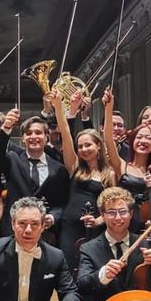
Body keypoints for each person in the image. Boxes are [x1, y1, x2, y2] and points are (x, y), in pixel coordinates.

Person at [49, 89, 117, 269]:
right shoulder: (75, 167)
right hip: (69, 227)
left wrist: (99, 221)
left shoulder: (109, 174)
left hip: (95, 228)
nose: (84, 149)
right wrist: (58, 106)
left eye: (88, 145)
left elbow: (114, 206)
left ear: (98, 146)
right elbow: (65, 133)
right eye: (80, 146)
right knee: (69, 270)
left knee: (93, 270)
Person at [77, 187, 151, 301]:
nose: (118, 218)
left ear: (131, 214)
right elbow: (82, 286)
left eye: (122, 212)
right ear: (103, 215)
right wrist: (103, 274)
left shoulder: (145, 243)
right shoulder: (89, 248)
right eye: (111, 212)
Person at [0, 112, 70, 237]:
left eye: (38, 132)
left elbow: (62, 203)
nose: (33, 136)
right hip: (14, 231)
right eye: (29, 133)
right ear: (23, 139)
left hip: (45, 233)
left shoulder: (59, 169)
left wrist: (52, 217)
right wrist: (6, 128)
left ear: (46, 137)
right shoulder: (12, 159)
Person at [107, 95, 151, 233]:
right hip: (125, 225)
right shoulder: (122, 166)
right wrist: (109, 108)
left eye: (148, 138)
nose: (143, 141)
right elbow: (109, 140)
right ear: (132, 142)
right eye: (139, 137)